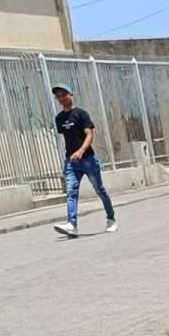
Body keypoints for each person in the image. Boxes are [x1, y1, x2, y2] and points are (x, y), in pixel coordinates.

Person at [50, 85, 116, 237]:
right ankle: (72, 225)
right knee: (71, 192)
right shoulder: (59, 118)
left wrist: (80, 151)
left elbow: (89, 135)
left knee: (99, 190)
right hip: (71, 162)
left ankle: (111, 219)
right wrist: (71, 156)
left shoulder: (81, 114)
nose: (61, 98)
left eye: (64, 94)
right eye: (58, 96)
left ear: (71, 95)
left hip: (88, 160)